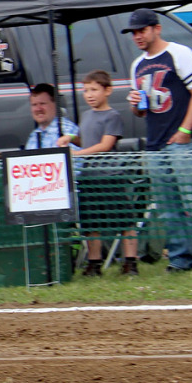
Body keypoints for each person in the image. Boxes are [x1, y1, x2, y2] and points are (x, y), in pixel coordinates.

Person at [124, 8, 192, 271]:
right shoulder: (137, 64)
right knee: (168, 206)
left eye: (141, 30)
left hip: (182, 141)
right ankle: (180, 258)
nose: (137, 37)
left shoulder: (179, 53)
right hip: (155, 143)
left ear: (157, 28)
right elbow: (141, 110)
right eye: (134, 32)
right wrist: (134, 104)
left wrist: (186, 130)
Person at [67, 70, 138, 276]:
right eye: (86, 90)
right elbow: (85, 139)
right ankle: (94, 263)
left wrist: (78, 153)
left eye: (94, 90)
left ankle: (130, 262)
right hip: (89, 177)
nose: (89, 95)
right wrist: (70, 139)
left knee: (124, 220)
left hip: (110, 176)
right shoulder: (87, 115)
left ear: (107, 91)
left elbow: (106, 145)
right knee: (91, 222)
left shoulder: (112, 116)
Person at [22, 83, 78, 149]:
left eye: (42, 104)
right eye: (34, 105)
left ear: (55, 104)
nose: (38, 109)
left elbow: (73, 157)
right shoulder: (34, 134)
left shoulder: (66, 130)